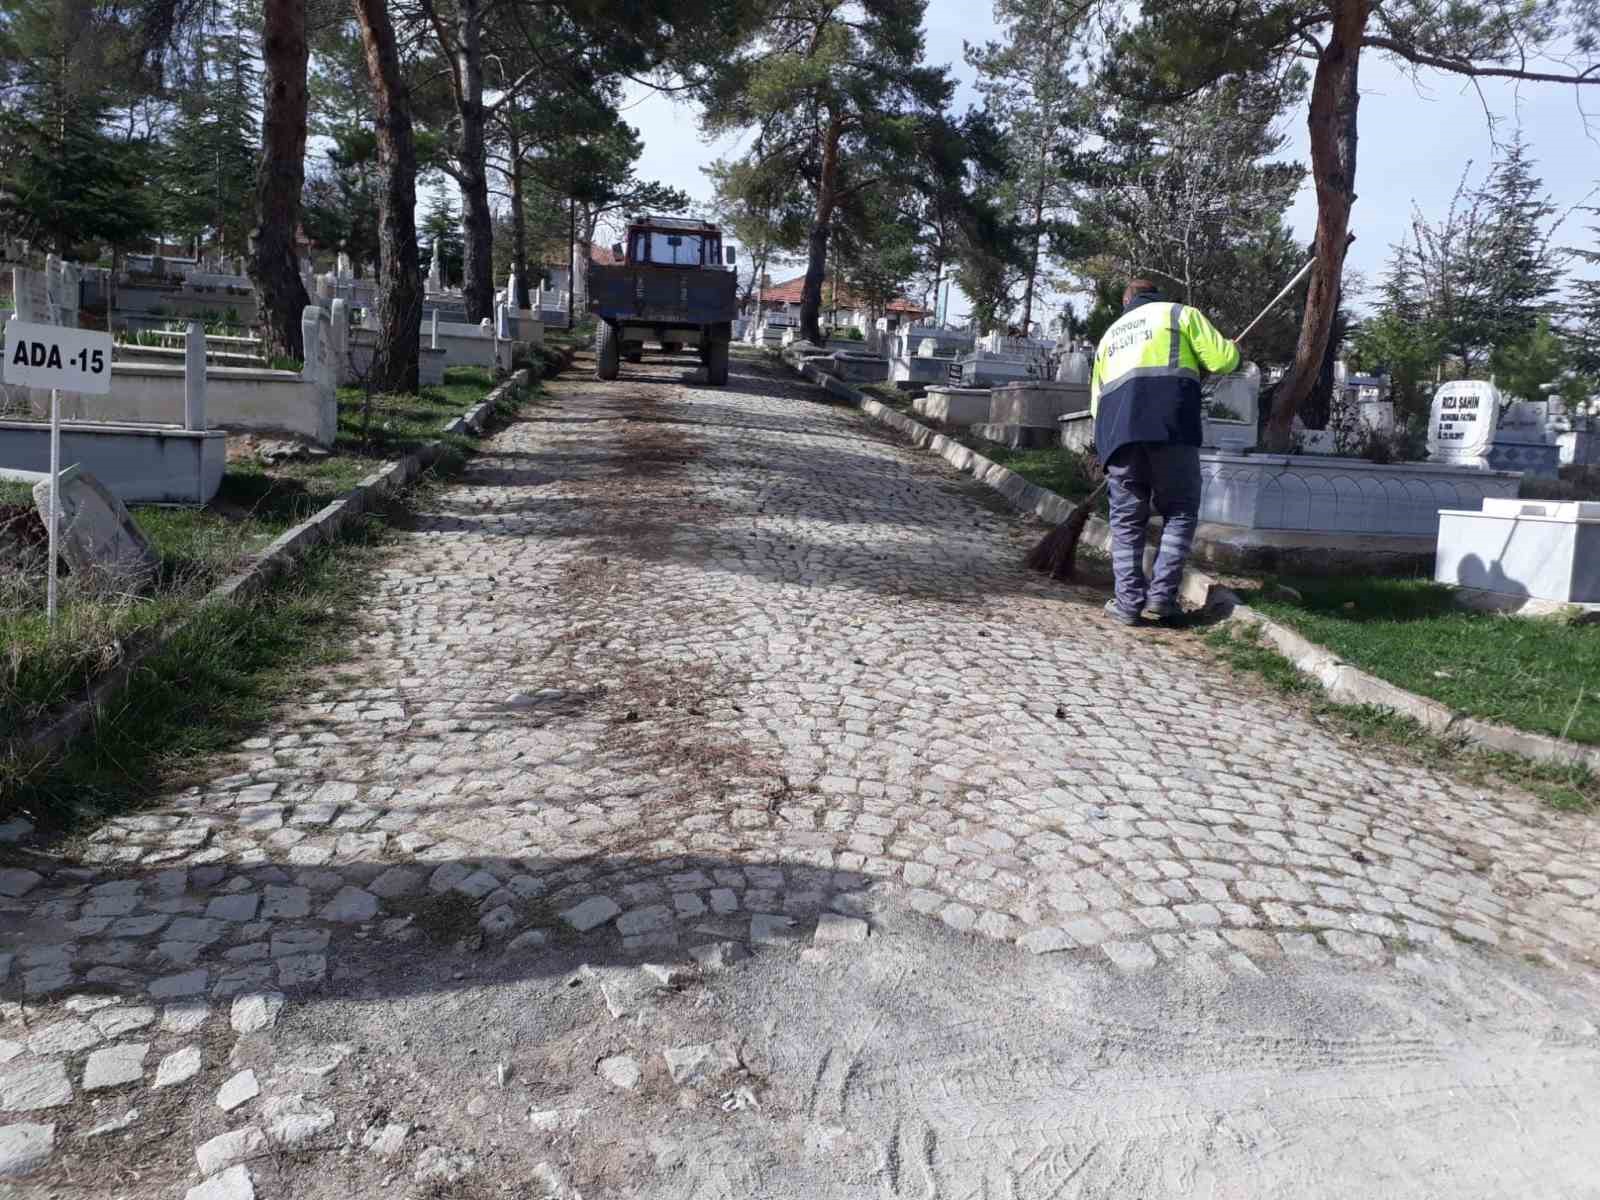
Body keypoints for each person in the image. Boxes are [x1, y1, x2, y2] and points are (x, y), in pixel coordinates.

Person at [1089, 280, 1240, 627]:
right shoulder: (1180, 314)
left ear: (1126, 302)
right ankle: (1161, 598)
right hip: (1171, 429)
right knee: (1180, 511)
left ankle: (1127, 605)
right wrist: (1231, 350)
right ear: (1156, 296)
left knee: (1127, 523)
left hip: (1119, 440)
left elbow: (1097, 404)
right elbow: (1223, 361)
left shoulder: (1109, 337)